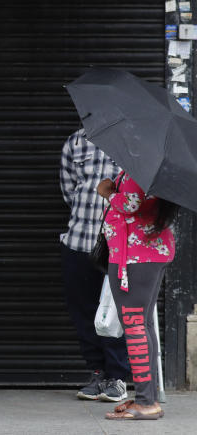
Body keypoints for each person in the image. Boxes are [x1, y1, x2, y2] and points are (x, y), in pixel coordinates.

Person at [97, 172, 176, 420]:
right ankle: (148, 398)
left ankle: (145, 402)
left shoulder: (142, 166)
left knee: (134, 325)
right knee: (144, 324)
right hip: (144, 251)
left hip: (137, 255)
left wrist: (109, 192)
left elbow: (131, 203)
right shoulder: (152, 165)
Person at [59, 129, 129, 402]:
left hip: (118, 245)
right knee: (83, 310)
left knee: (115, 312)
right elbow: (69, 189)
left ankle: (117, 376)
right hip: (78, 239)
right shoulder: (76, 141)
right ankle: (98, 372)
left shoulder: (135, 139)